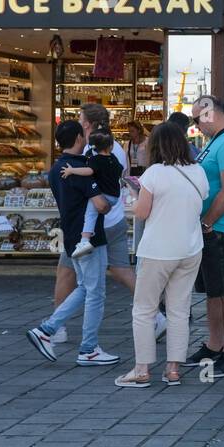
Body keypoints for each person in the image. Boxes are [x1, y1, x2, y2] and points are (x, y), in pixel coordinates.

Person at [114, 121, 209, 388]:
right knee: (179, 309)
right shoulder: (198, 171)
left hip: (157, 250)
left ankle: (142, 369)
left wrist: (134, 195)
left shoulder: (154, 173)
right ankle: (173, 369)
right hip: (190, 249)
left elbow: (142, 213)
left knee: (144, 309)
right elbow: (202, 200)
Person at [50, 103, 152, 345]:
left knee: (70, 275)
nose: (79, 120)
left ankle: (57, 327)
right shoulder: (113, 145)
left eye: (80, 117)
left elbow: (92, 184)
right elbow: (122, 172)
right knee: (120, 270)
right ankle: (154, 315)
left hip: (94, 222)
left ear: (87, 124)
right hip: (113, 218)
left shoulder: (89, 151)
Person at [26, 119, 116, 365]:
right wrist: (108, 204)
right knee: (95, 292)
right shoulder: (80, 167)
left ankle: (47, 329)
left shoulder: (56, 169)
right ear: (78, 138)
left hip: (70, 235)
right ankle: (89, 348)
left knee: (85, 288)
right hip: (90, 238)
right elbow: (100, 204)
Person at [184, 94, 224, 379]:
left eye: (198, 119)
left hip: (223, 228)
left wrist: (208, 222)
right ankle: (214, 344)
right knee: (213, 292)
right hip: (212, 227)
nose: (196, 125)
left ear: (210, 113)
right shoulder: (215, 142)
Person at [63, 130, 123, 260]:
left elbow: (88, 171)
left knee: (90, 214)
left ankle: (84, 241)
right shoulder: (113, 159)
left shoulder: (95, 160)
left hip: (103, 195)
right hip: (114, 197)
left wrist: (71, 170)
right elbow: (120, 170)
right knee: (94, 215)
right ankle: (89, 236)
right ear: (111, 145)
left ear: (94, 146)